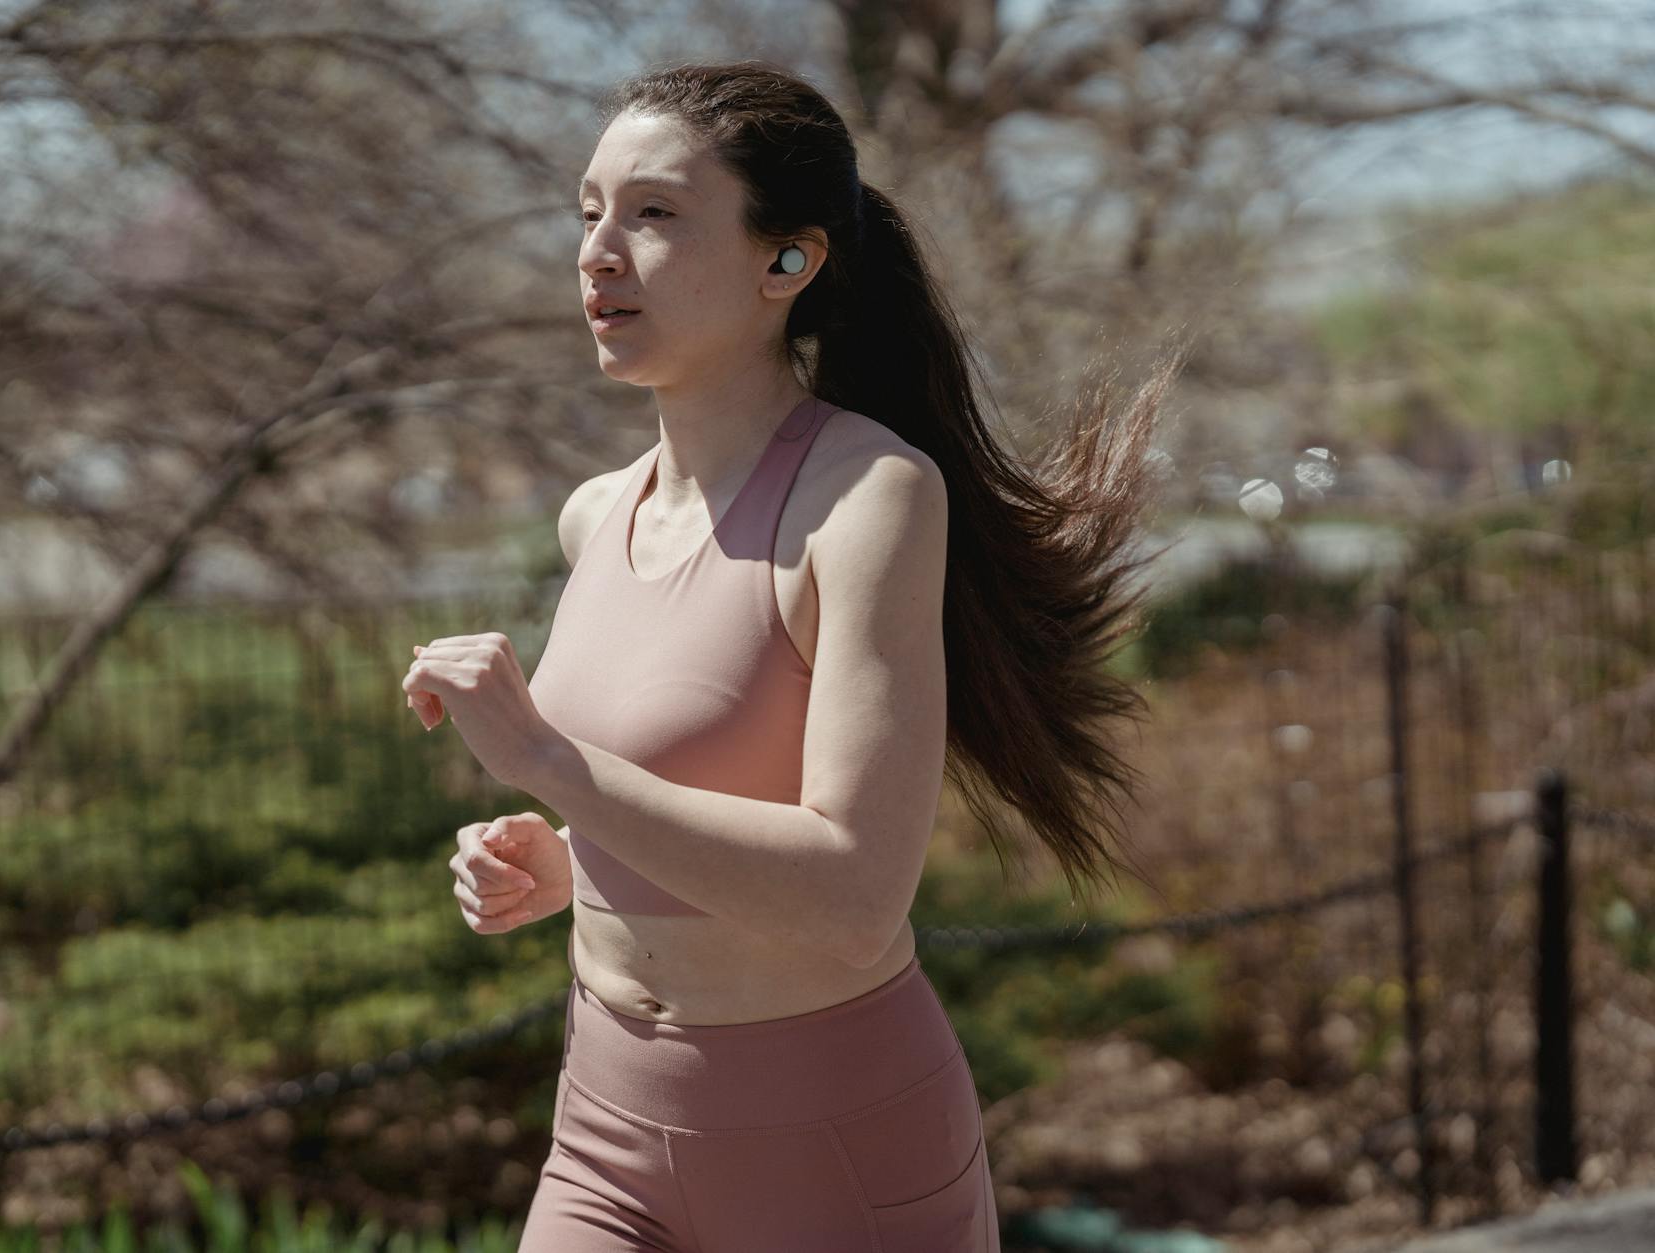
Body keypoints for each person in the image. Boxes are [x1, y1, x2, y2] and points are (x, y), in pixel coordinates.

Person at [403, 58, 1181, 1253]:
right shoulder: (594, 513)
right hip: (603, 1121)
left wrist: (549, 763)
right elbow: (705, 788)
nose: (599, 251)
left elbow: (850, 896)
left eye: (654, 212)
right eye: (589, 211)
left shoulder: (867, 495)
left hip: (832, 1146)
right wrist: (568, 862)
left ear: (787, 262)